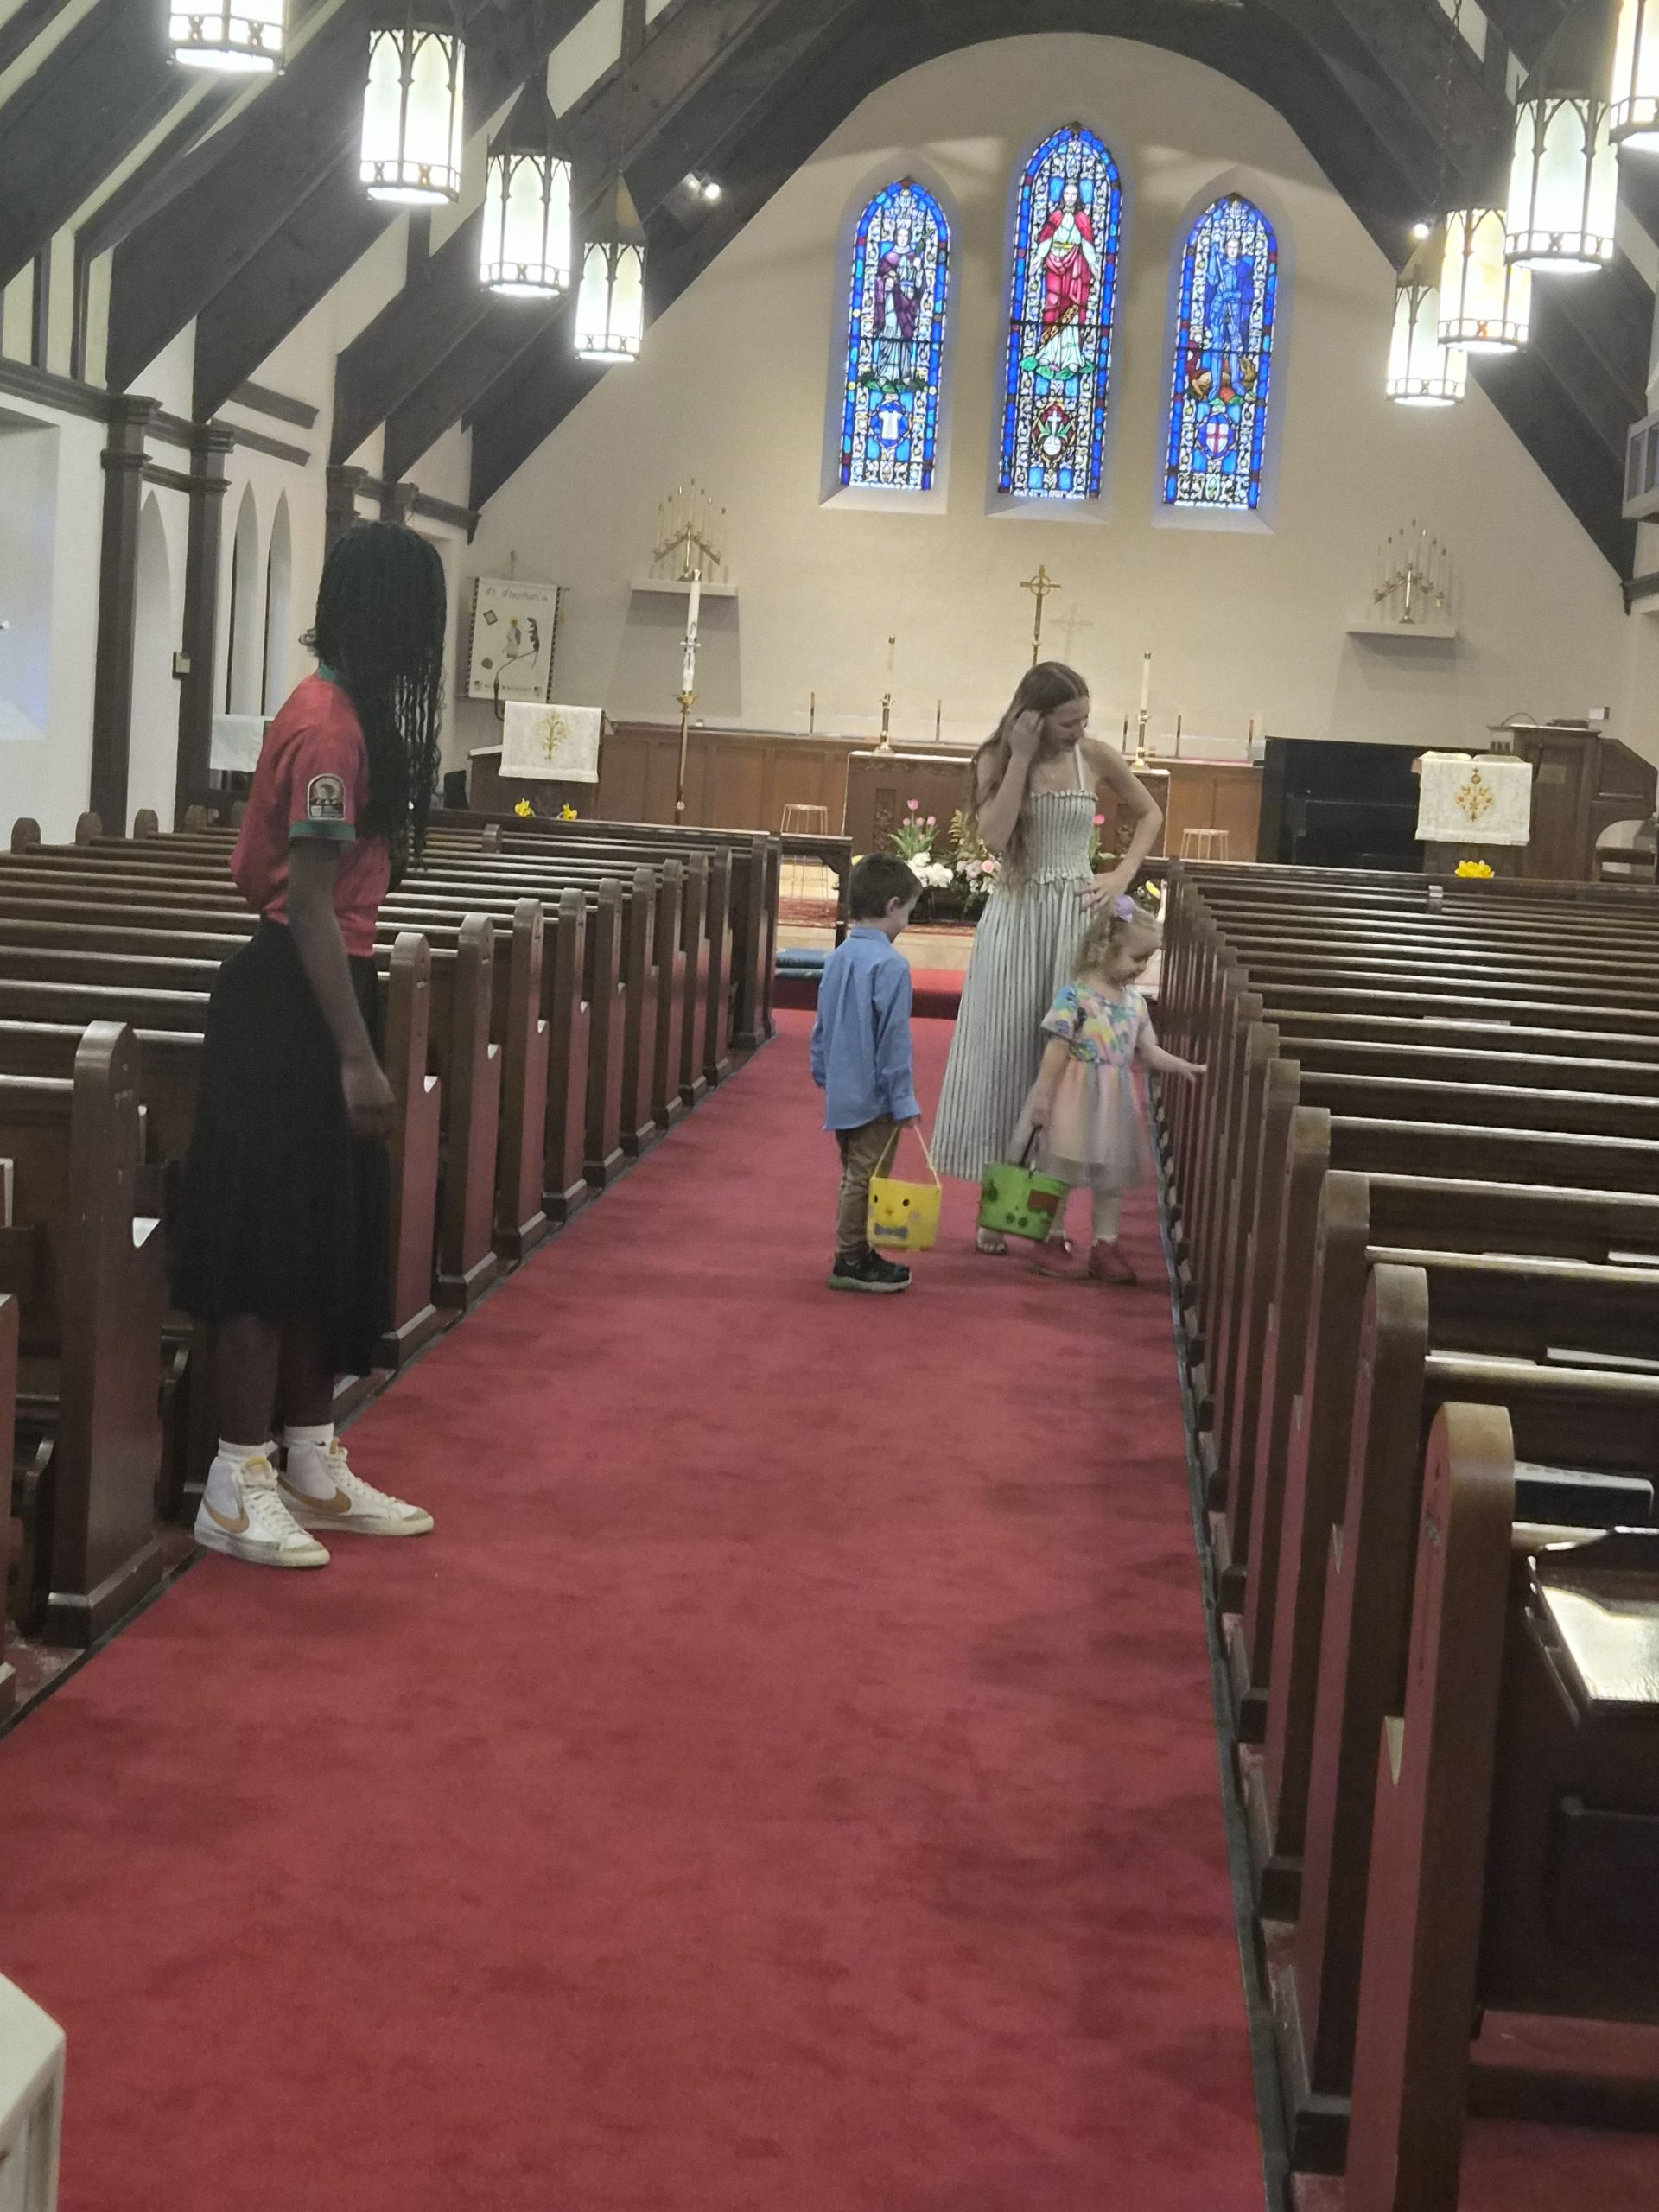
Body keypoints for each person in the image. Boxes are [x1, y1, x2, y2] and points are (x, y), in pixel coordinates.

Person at [169, 520, 447, 1568]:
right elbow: (309, 908)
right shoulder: (330, 730)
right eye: (418, 619)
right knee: (265, 1240)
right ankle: (235, 1486)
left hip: (318, 994)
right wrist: (355, 1055)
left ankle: (309, 1460)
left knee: (320, 1236)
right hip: (292, 1005)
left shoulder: (344, 711)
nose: (425, 643)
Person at [931, 661, 1163, 1254]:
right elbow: (993, 836)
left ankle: (1050, 1218)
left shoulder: (1096, 756)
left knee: (1064, 1065)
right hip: (1016, 917)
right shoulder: (995, 758)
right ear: (1032, 716)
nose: (1078, 730)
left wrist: (1123, 872)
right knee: (1007, 1058)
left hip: (1076, 920)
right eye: (1066, 721)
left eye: (1084, 719)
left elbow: (1151, 813)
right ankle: (997, 1209)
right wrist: (1019, 757)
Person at [1016, 897, 1204, 1283]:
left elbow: (1147, 1050)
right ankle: (1050, 1239)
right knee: (1060, 1170)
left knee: (1111, 1176)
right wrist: (1043, 1096)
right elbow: (1057, 1048)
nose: (1142, 967)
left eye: (1148, 959)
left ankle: (1106, 1245)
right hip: (1072, 1095)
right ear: (1105, 948)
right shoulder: (1076, 995)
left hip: (1113, 1101)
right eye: (1137, 958)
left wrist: (1181, 1064)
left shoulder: (1135, 1004)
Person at [810, 853, 922, 1294]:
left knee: (854, 1172)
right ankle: (851, 1258)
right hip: (875, 1095)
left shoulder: (838, 956)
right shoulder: (892, 966)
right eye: (909, 911)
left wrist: (822, 1070)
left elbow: (822, 1022)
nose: (908, 921)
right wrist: (903, 1099)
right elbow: (894, 1042)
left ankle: (858, 1249)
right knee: (866, 1177)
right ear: (892, 906)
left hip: (841, 1087)